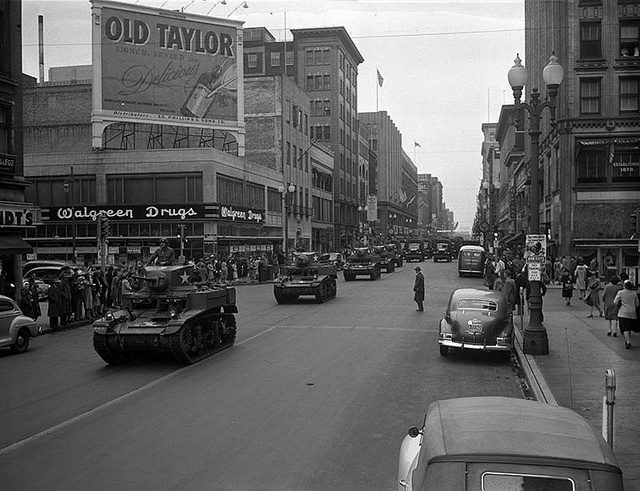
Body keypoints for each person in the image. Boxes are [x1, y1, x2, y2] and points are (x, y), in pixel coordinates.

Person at [613, 280, 639, 349]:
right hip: (632, 313)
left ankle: (628, 341)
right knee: (629, 327)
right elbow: (637, 304)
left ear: (624, 286)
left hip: (623, 313)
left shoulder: (620, 293)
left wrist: (619, 305)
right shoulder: (634, 293)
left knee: (625, 328)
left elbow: (615, 302)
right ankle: (627, 340)